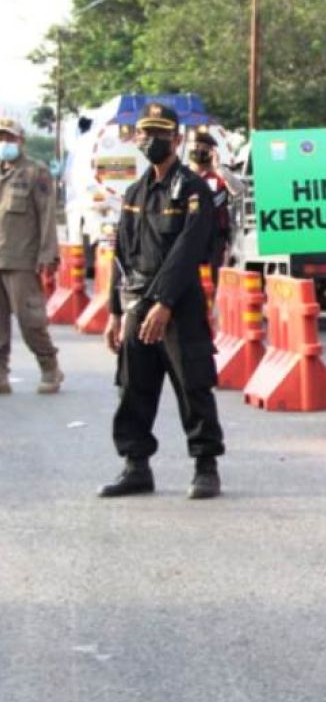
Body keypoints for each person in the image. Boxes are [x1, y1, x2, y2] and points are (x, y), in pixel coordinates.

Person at [99, 102, 225, 500]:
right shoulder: (136, 192)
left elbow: (187, 252)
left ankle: (206, 466)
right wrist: (115, 313)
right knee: (133, 386)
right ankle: (136, 466)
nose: (148, 141)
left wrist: (164, 302)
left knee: (193, 384)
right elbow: (122, 254)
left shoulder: (192, 189)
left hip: (178, 304)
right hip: (137, 304)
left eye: (158, 134)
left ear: (175, 139)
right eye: (143, 133)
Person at [0, 115, 63, 395]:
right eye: (1, 138)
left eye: (9, 138)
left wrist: (48, 255)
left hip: (22, 260)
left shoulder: (36, 172)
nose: (4, 143)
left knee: (31, 321)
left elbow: (48, 216)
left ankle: (50, 367)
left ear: (21, 141)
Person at [187, 129, 237, 271]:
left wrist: (218, 167)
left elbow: (238, 190)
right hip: (188, 236)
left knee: (212, 278)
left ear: (211, 151)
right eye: (194, 146)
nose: (197, 150)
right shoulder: (182, 175)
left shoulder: (219, 175)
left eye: (203, 148)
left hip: (215, 238)